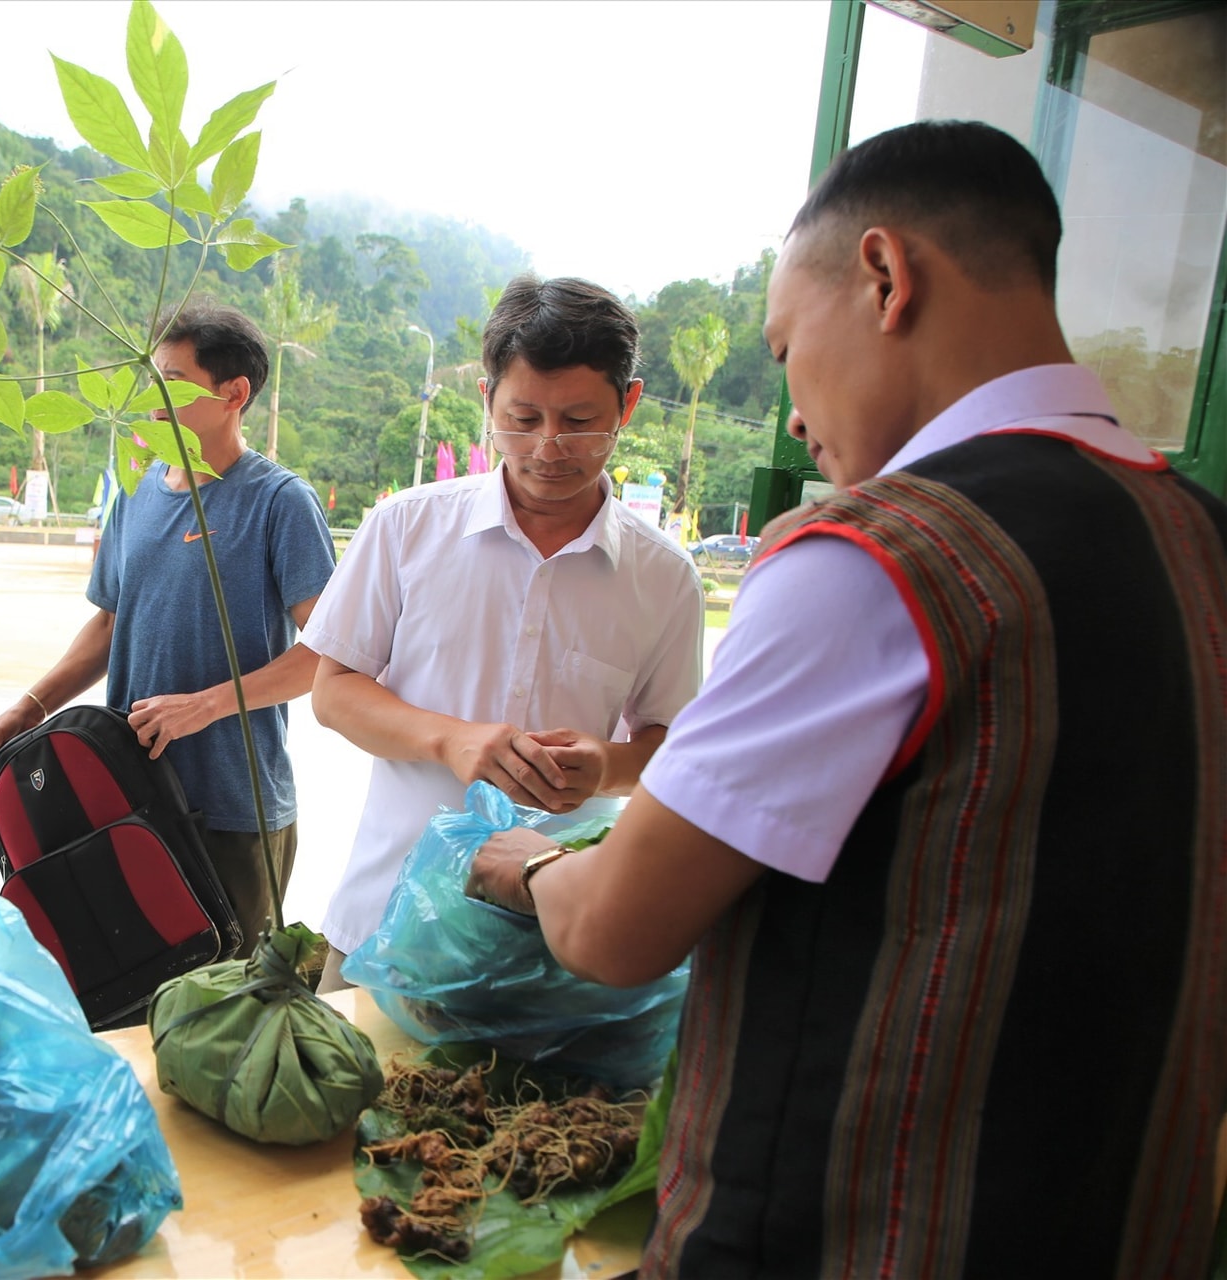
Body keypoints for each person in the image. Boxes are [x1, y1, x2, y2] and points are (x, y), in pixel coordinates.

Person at [469, 120, 1226, 1277]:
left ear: (885, 276)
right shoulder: (1200, 535)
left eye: (782, 351)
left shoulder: (877, 555)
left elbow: (623, 928)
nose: (792, 417)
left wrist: (532, 864)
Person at [305, 275, 706, 989]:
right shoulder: (406, 527)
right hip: (385, 928)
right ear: (486, 398)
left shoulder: (664, 577)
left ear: (629, 404)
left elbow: (672, 748)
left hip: (553, 952)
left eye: (580, 420)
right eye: (523, 418)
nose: (550, 445)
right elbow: (333, 694)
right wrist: (449, 738)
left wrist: (606, 766)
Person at [0, 303, 336, 942]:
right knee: (125, 988)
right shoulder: (135, 496)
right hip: (123, 797)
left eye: (171, 379)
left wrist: (206, 706)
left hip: (234, 807)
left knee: (227, 1003)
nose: (152, 398)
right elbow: (109, 625)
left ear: (235, 394)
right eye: (151, 377)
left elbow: (330, 654)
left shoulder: (280, 502)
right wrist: (33, 704)